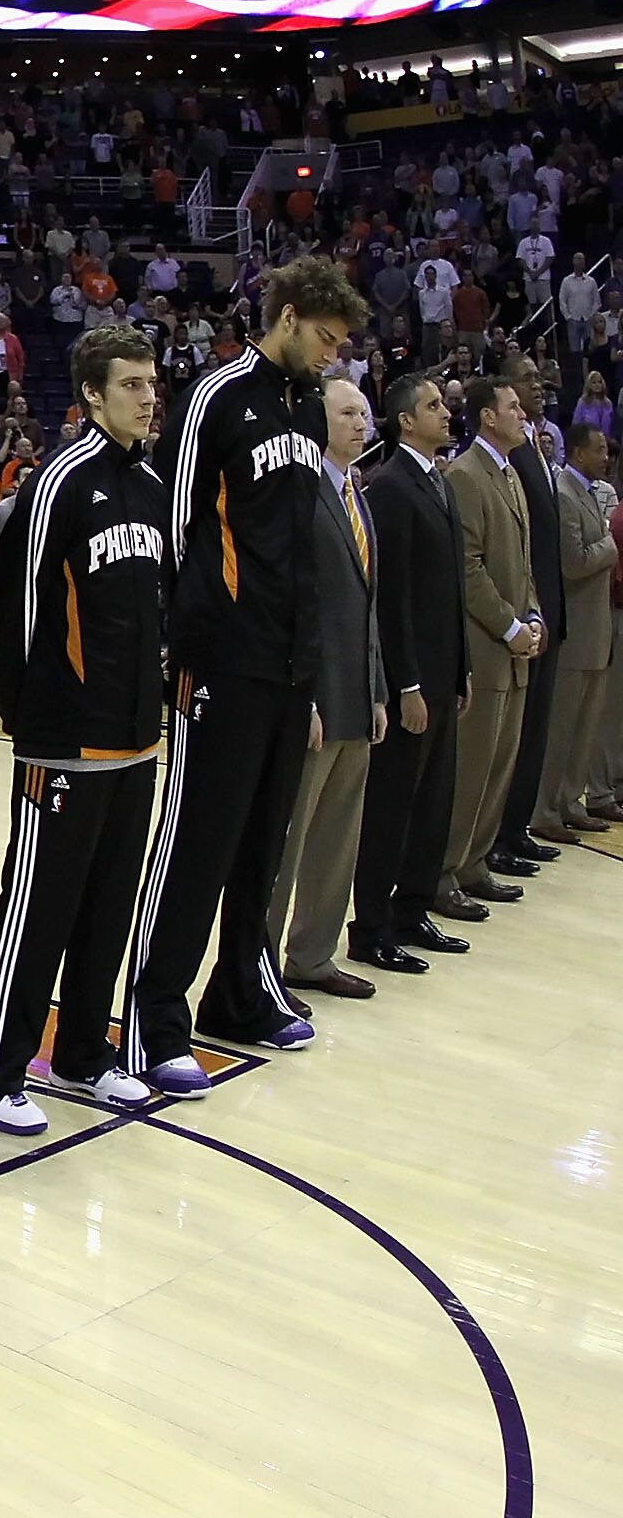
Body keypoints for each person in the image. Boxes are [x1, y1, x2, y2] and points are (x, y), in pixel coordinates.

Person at [122, 255, 367, 1098]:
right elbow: (178, 521)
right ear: (289, 317)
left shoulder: (305, 411)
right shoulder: (219, 395)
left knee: (264, 840)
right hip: (220, 655)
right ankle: (155, 1017)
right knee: (198, 838)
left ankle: (240, 991)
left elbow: (296, 549)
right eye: (326, 338)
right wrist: (183, 646)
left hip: (288, 659)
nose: (332, 355)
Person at [0, 327, 169, 1132]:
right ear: (91, 395)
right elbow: (10, 613)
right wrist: (30, 721)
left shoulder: (153, 487)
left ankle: (86, 1054)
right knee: (37, 908)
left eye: (152, 383)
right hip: (65, 739)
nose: (148, 396)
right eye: (131, 385)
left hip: (135, 738)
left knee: (108, 904)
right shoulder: (55, 485)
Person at [260, 378, 389, 1003]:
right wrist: (302, 696)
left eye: (365, 412)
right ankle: (256, 960)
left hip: (358, 697)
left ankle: (311, 956)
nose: (362, 422)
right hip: (314, 696)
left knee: (338, 839)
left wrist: (380, 690)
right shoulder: (305, 493)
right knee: (289, 838)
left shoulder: (356, 495)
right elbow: (294, 602)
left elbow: (367, 609)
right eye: (348, 413)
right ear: (319, 421)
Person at [353, 375, 474, 972]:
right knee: (393, 804)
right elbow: (390, 599)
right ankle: (371, 924)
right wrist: (406, 684)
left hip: (443, 670)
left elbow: (448, 591)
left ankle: (413, 910)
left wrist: (461, 670)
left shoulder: (438, 484)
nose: (445, 413)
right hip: (412, 681)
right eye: (432, 406)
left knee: (432, 801)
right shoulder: (391, 488)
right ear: (405, 421)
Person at [440, 376, 548, 913]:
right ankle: (443, 874)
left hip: (513, 645)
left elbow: (521, 562)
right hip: (485, 647)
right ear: (487, 416)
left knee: (500, 765)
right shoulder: (465, 474)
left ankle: (475, 863)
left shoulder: (509, 475)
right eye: (512, 407)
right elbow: (467, 565)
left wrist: (532, 615)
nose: (523, 414)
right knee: (472, 768)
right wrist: (509, 626)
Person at [494, 361, 567, 871]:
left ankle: (516, 828)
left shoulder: (537, 447)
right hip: (521, 616)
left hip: (545, 613)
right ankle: (497, 835)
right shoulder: (511, 459)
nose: (535, 386)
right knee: (511, 739)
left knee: (534, 731)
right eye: (523, 381)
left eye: (537, 380)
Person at [537, 425, 615, 837]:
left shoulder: (588, 492)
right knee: (562, 728)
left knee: (584, 728)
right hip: (574, 632)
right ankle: (545, 810)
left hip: (595, 633)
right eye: (599, 449)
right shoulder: (566, 494)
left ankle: (570, 801)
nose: (606, 456)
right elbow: (574, 562)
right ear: (580, 452)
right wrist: (610, 544)